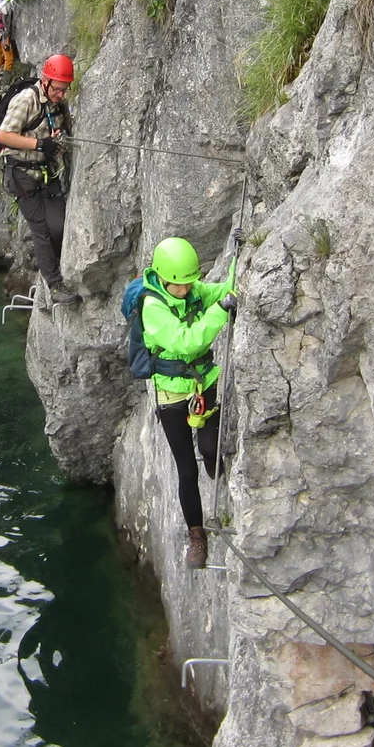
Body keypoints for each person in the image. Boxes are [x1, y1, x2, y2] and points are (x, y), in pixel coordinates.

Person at [138, 236, 236, 569]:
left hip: (202, 384)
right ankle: (196, 534)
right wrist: (219, 315)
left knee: (210, 448)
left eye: (189, 284)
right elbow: (184, 341)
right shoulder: (152, 307)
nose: (186, 290)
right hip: (171, 396)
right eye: (179, 286)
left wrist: (237, 254)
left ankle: (213, 460)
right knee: (186, 469)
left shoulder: (191, 289)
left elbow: (221, 290)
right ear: (164, 279)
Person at [0, 53, 75, 303]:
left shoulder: (54, 103)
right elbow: (3, 136)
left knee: (60, 226)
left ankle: (56, 268)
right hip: (22, 175)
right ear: (46, 81)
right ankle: (55, 285)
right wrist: (40, 144)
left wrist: (55, 143)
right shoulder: (26, 100)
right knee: (42, 231)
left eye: (65, 90)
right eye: (58, 89)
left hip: (46, 172)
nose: (61, 94)